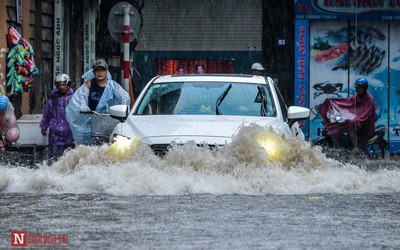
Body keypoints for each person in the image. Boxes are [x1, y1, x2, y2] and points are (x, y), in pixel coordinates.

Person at [66, 59, 130, 145]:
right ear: (93, 72)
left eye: (102, 70)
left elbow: (124, 97)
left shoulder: (113, 86)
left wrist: (123, 108)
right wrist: (83, 108)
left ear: (107, 71)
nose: (100, 73)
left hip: (108, 121)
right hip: (91, 121)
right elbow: (80, 98)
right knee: (86, 147)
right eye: (97, 70)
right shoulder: (89, 84)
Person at [319, 78, 376, 152]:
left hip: (365, 123)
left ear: (365, 88)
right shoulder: (356, 97)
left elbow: (366, 114)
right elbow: (346, 103)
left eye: (360, 88)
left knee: (351, 126)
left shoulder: (369, 99)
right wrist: (334, 103)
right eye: (357, 88)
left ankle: (355, 147)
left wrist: (355, 120)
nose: (358, 90)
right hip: (357, 120)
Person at [40, 74, 75, 164]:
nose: (62, 87)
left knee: (71, 155)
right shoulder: (53, 100)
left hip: (70, 131)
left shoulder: (74, 98)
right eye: (60, 85)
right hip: (56, 132)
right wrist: (44, 127)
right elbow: (47, 114)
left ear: (68, 84)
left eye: (64, 85)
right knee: (55, 157)